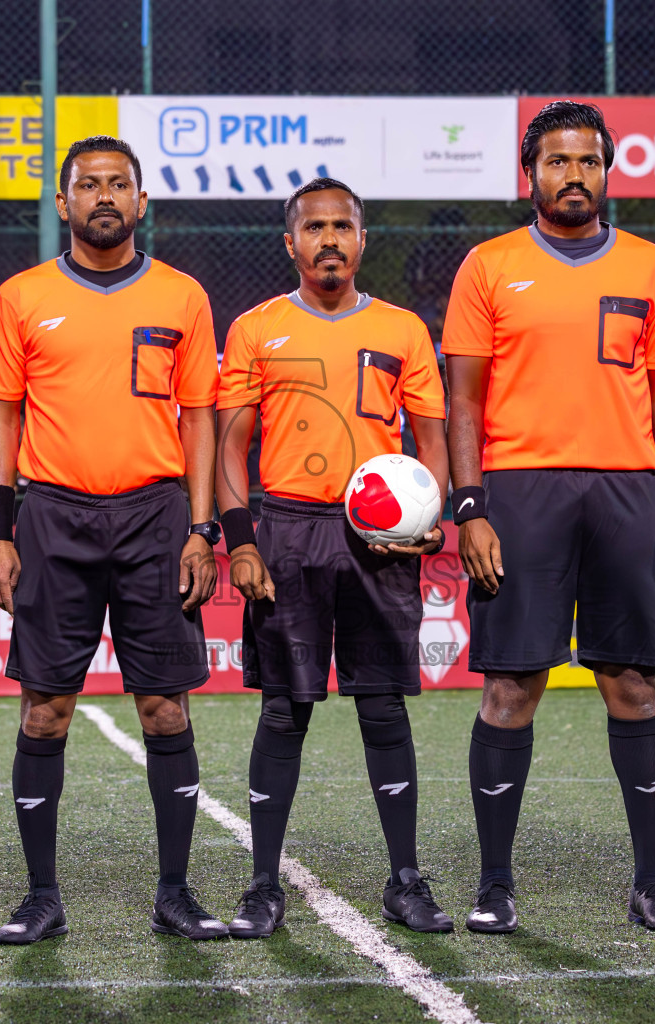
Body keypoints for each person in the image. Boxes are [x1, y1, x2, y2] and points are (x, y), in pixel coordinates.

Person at [443, 101, 655, 934]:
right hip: (520, 492)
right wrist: (470, 506)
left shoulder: (651, 266)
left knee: (632, 683)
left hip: (628, 492)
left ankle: (652, 882)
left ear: (607, 170)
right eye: (558, 162)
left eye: (588, 161)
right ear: (532, 174)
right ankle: (493, 884)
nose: (574, 175)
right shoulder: (489, 265)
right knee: (512, 685)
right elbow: (464, 400)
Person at [0, 136, 224, 944]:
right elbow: (1, 414)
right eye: (89, 185)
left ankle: (175, 894)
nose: (105, 196)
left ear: (142, 201)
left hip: (156, 517)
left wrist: (201, 528)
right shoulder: (21, 296)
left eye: (119, 184)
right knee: (46, 709)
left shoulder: (183, 295)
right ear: (63, 203)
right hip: (52, 516)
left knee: (162, 707)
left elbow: (198, 419)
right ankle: (41, 896)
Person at [215, 178, 453, 939]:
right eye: (313, 227)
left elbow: (432, 438)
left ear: (360, 239)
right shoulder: (256, 328)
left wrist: (432, 509)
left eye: (342, 227)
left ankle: (405, 880)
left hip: (376, 539)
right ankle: (261, 886)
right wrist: (241, 536)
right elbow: (230, 444)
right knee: (285, 708)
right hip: (286, 530)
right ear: (290, 243)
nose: (328, 239)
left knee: (383, 703)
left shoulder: (403, 329)